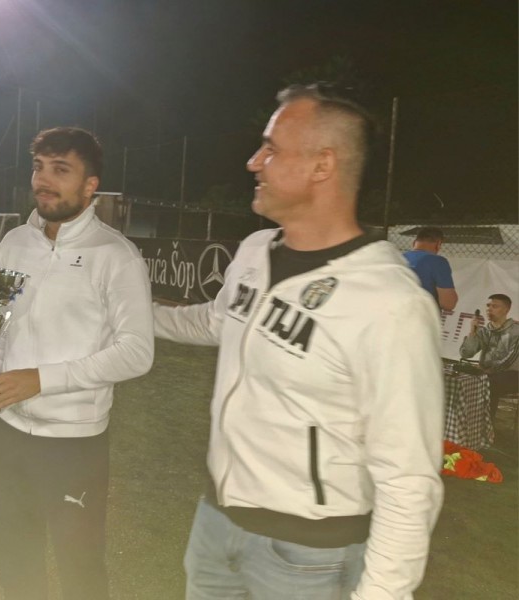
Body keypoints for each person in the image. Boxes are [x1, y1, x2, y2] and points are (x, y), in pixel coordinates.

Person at [153, 83, 444, 599]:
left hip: (309, 557)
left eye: (270, 148)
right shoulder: (254, 249)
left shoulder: (390, 302)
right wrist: (134, 315)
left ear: (322, 165)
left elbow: (408, 478)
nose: (253, 162)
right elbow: (218, 322)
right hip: (216, 522)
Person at [0, 127, 154, 600]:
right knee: (13, 558)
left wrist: (41, 380)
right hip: (7, 431)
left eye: (60, 170)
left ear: (90, 185)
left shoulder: (116, 256)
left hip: (74, 444)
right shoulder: (14, 242)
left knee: (80, 568)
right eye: (38, 167)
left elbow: (137, 351)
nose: (43, 181)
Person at [460, 293, 519, 419]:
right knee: (462, 379)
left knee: (488, 383)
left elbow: (511, 360)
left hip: (513, 375)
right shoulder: (484, 331)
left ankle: (485, 425)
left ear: (506, 309)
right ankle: (466, 421)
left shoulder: (516, 331)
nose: (489, 309)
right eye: (488, 306)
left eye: (495, 306)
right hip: (487, 373)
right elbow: (466, 353)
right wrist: (473, 332)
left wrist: (488, 370)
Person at [403, 227, 458, 311]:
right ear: (438, 244)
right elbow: (448, 304)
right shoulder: (438, 262)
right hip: (421, 316)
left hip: (393, 314)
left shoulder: (398, 258)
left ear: (414, 242)